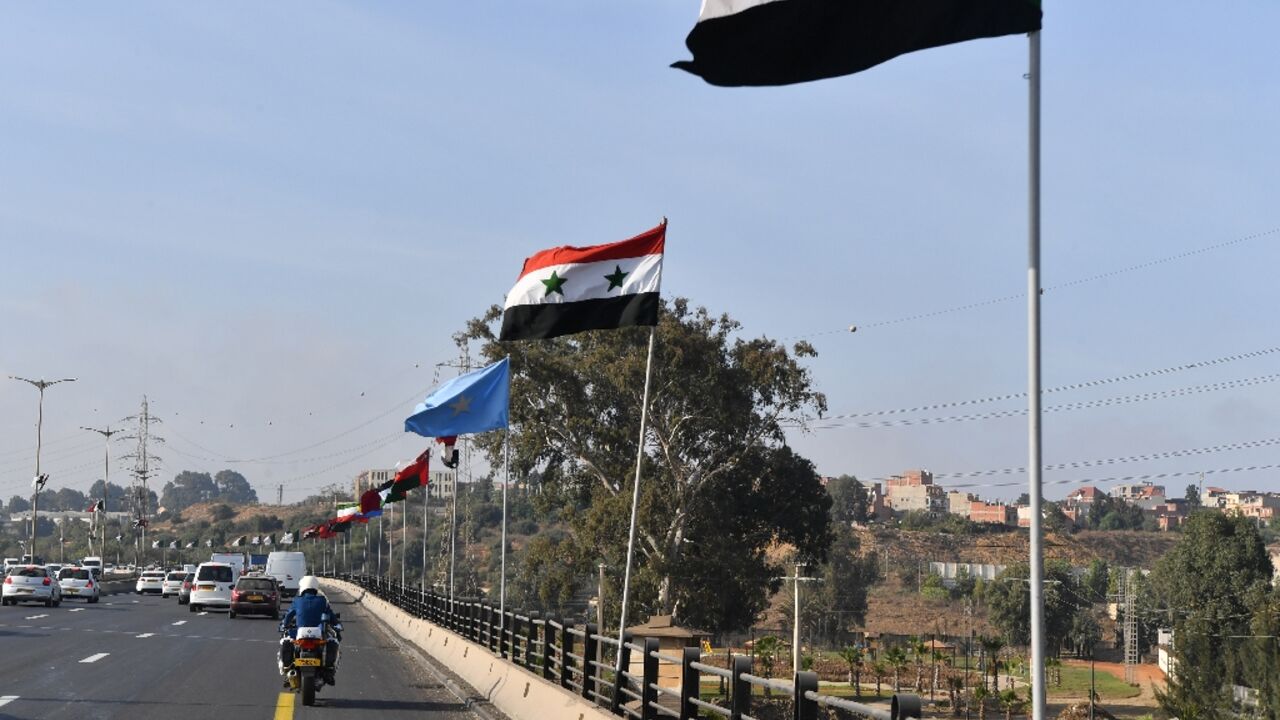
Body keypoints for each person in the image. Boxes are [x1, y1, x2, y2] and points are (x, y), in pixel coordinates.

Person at [277, 576, 341, 685]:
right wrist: (337, 625)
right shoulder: (322, 601)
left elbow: (288, 616)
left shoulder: (297, 600)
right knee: (333, 641)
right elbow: (331, 616)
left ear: (302, 587)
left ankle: (287, 670)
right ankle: (329, 671)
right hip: (317, 634)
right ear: (315, 587)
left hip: (300, 634)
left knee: (285, 641)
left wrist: (283, 625)